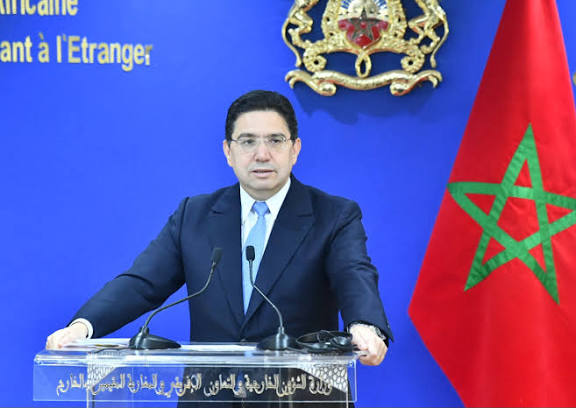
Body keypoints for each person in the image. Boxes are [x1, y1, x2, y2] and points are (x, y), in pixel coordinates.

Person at [46, 90, 393, 368]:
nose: (262, 154)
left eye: (275, 140)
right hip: (213, 394)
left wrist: (364, 326)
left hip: (300, 396)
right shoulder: (194, 215)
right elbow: (142, 284)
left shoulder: (334, 215)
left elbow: (353, 275)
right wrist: (83, 326)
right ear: (228, 151)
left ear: (295, 149)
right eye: (247, 141)